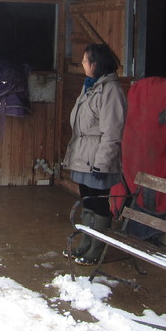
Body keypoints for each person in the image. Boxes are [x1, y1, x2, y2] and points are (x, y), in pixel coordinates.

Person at [63, 43, 127, 266]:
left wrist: (101, 164)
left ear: (95, 64)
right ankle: (85, 244)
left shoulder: (111, 91)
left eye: (85, 60)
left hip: (97, 160)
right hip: (83, 156)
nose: (82, 63)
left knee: (99, 205)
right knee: (87, 203)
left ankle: (96, 250)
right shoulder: (90, 86)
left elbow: (112, 132)